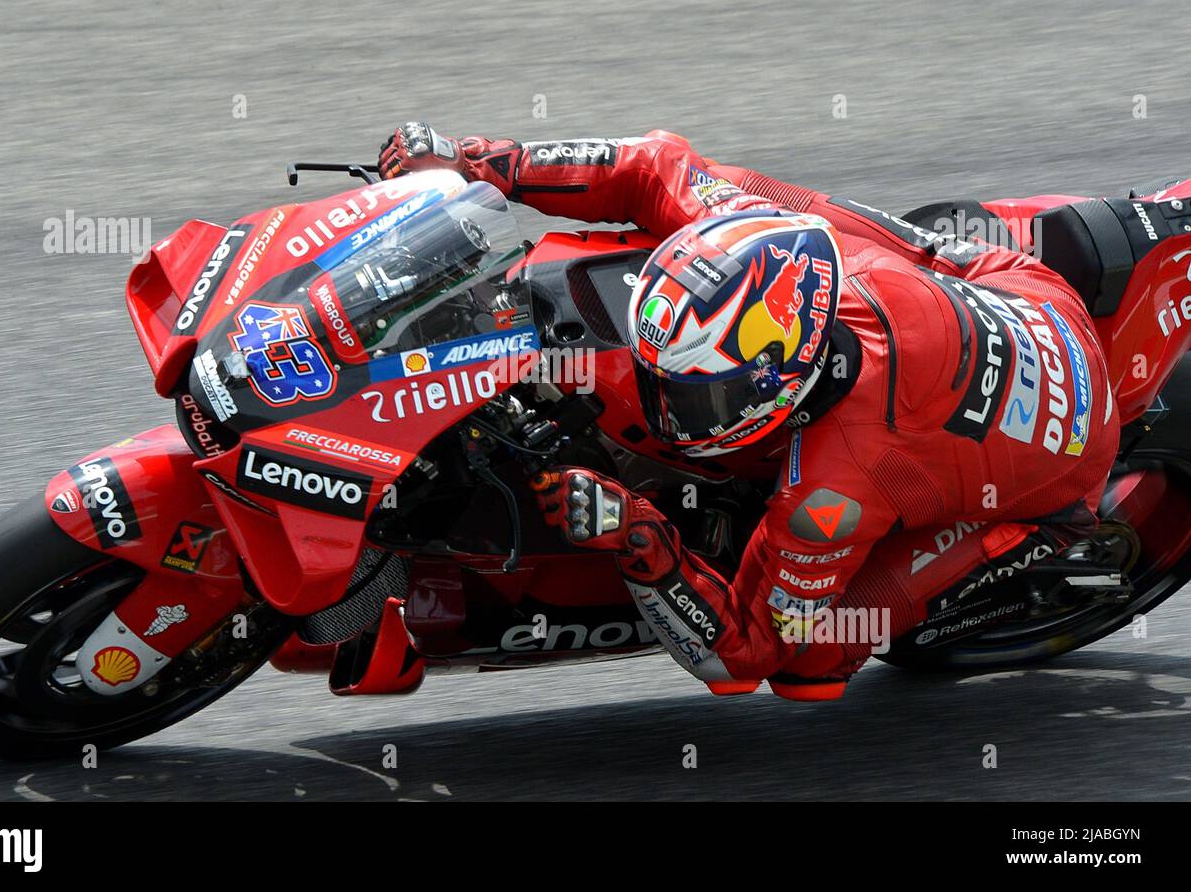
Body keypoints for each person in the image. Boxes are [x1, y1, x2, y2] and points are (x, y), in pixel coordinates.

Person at [377, 122, 1121, 699]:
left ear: (782, 382)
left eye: (700, 394)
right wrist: (471, 162)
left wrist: (634, 530)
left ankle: (1024, 540)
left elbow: (741, 653)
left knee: (812, 661)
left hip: (1060, 466)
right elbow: (650, 164)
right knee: (789, 213)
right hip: (1019, 287)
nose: (669, 408)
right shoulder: (763, 238)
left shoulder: (831, 491)